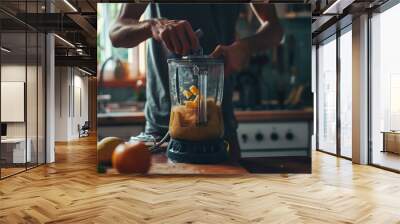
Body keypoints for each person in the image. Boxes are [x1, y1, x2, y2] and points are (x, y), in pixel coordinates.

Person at [109, 3, 283, 162]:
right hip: (162, 132)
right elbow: (116, 32)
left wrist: (246, 47)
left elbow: (274, 29)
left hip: (221, 130)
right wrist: (152, 25)